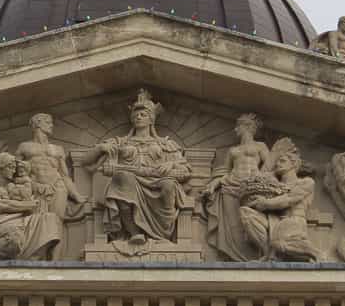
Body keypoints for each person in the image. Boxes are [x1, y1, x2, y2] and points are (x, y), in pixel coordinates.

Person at [78, 89, 192, 246]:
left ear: (151, 119)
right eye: (136, 115)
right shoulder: (121, 142)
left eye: (143, 115)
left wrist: (171, 163)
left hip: (157, 182)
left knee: (169, 184)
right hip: (129, 182)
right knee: (123, 178)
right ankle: (134, 232)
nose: (138, 117)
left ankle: (162, 233)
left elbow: (185, 171)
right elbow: (85, 162)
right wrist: (100, 149)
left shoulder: (166, 144)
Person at [15, 114, 88, 259]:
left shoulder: (58, 149)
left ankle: (55, 261)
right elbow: (15, 173)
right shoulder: (24, 147)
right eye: (48, 122)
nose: (51, 125)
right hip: (35, 188)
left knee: (57, 221)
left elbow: (65, 175)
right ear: (37, 124)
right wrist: (30, 185)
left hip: (57, 186)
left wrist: (76, 195)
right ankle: (36, 257)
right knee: (36, 222)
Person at [238, 138, 322, 262]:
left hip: (293, 222)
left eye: (282, 161)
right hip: (274, 220)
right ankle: (268, 254)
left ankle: (316, 253)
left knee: (278, 243)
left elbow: (289, 199)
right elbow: (261, 179)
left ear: (294, 164)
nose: (278, 164)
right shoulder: (275, 184)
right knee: (246, 213)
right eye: (277, 162)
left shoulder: (306, 182)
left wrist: (265, 203)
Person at [203, 113, 271, 261]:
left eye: (238, 126)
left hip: (251, 187)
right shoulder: (233, 150)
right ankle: (237, 256)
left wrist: (259, 177)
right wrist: (214, 184)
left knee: (250, 220)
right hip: (230, 185)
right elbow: (225, 171)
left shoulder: (260, 146)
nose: (235, 129)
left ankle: (259, 252)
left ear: (248, 127)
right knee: (233, 224)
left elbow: (269, 166)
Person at [0, 153, 62, 260]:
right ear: (0, 167)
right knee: (13, 237)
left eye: (14, 168)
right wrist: (28, 205)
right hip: (2, 223)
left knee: (49, 219)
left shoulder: (16, 186)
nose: (13, 171)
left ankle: (35, 258)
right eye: (10, 167)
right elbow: (2, 205)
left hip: (24, 220)